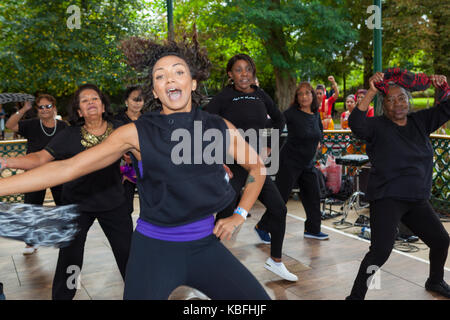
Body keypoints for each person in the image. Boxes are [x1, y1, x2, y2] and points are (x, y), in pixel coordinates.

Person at [0, 39, 271, 300]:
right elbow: (69, 168)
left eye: (178, 72)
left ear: (193, 83)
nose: (171, 79)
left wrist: (240, 213)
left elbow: (257, 166)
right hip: (154, 251)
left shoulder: (219, 126)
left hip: (205, 246)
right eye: (160, 76)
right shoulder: (136, 133)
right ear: (155, 91)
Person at [1, 84, 133, 300]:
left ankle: (139, 292)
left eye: (95, 99)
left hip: (114, 203)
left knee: (129, 256)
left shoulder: (120, 130)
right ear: (79, 111)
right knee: (70, 261)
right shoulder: (69, 134)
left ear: (102, 106)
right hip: (77, 206)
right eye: (84, 100)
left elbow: (142, 153)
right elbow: (40, 158)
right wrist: (5, 161)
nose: (91, 102)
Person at [346, 70, 450, 300]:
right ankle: (355, 297)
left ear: (408, 100)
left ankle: (435, 280)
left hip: (415, 199)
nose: (397, 103)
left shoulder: (419, 121)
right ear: (385, 106)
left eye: (401, 97)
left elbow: (446, 108)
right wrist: (372, 90)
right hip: (387, 197)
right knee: (381, 251)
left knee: (441, 240)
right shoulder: (377, 126)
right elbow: (356, 123)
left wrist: (441, 85)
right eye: (391, 100)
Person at [205, 54, 298, 282]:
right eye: (238, 70)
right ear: (230, 74)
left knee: (279, 209)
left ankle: (275, 261)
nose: (244, 74)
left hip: (255, 166)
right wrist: (218, 158)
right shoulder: (225, 96)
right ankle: (203, 271)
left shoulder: (260, 95)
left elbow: (278, 120)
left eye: (248, 69)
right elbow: (204, 122)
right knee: (225, 216)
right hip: (233, 165)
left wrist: (268, 145)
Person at [5, 94, 68, 255]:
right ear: (37, 109)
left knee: (63, 204)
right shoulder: (32, 124)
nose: (45, 110)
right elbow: (10, 125)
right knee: (31, 207)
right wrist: (24, 109)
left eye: (48, 106)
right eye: (41, 107)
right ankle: (30, 243)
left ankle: (64, 238)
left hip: (57, 171)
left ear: (54, 107)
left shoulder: (63, 126)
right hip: (35, 173)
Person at [269, 82, 329, 240]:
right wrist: (268, 146)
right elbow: (275, 125)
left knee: (313, 196)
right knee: (280, 198)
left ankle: (313, 230)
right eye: (300, 94)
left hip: (307, 164)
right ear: (296, 97)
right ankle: (262, 227)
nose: (304, 97)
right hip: (289, 162)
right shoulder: (291, 113)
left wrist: (318, 142)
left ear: (313, 96)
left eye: (307, 93)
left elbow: (319, 130)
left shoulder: (316, 113)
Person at [114, 86, 144, 216]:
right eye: (134, 99)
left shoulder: (149, 119)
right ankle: (126, 236)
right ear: (126, 101)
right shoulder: (116, 120)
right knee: (124, 208)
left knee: (148, 206)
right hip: (123, 169)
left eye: (140, 99)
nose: (137, 102)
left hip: (145, 167)